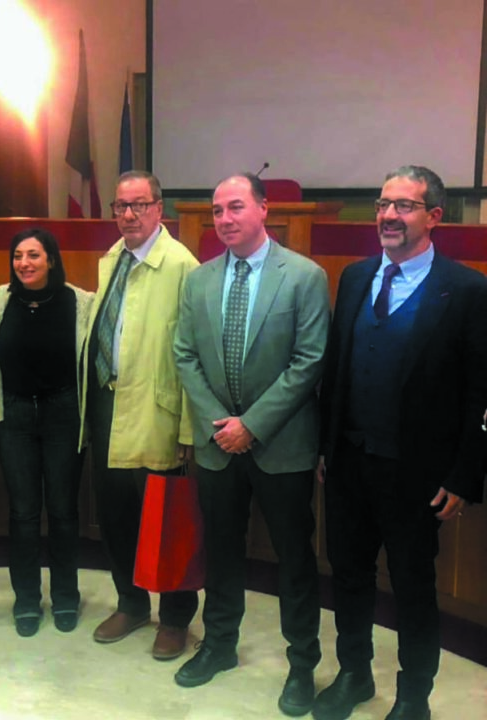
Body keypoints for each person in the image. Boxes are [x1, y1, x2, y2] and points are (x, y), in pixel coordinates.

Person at [314, 166, 487, 720]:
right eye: (383, 204)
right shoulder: (357, 277)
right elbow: (338, 370)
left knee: (413, 588)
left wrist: (463, 476)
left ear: (434, 216)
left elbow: (481, 394)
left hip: (418, 478)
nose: (388, 215)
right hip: (349, 466)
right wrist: (326, 447)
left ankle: (414, 697)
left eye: (405, 206)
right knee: (349, 577)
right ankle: (354, 676)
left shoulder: (466, 291)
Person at [173, 174, 329, 716]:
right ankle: (218, 646)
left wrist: (253, 424)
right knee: (220, 550)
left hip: (281, 445)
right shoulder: (198, 281)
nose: (224, 219)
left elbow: (309, 361)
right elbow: (184, 356)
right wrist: (222, 423)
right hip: (217, 444)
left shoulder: (304, 277)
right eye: (216, 210)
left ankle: (302, 665)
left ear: (264, 209)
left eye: (235, 207)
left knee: (294, 560)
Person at [81, 170, 200, 659]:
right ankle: (131, 603)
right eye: (120, 206)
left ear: (159, 209)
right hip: (107, 403)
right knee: (116, 515)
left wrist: (188, 429)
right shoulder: (113, 258)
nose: (128, 215)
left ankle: (174, 617)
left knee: (165, 520)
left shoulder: (182, 266)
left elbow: (193, 353)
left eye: (138, 205)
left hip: (157, 412)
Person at [0, 228, 93, 637]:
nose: (24, 263)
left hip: (63, 412)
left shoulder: (79, 301)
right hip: (14, 415)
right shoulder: (0, 298)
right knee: (23, 514)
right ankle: (26, 599)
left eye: (33, 255)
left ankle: (66, 596)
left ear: (50, 259)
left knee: (63, 512)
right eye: (17, 256)